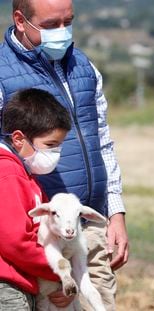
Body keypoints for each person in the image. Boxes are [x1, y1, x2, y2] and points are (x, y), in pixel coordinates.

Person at [0, 1, 129, 310]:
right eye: (50, 26)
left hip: (90, 223)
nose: (62, 33)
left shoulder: (85, 68)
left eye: (67, 22)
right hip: (42, 235)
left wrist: (115, 213)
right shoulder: (2, 74)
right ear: (20, 20)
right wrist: (56, 271)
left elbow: (103, 142)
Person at [0, 88, 72, 310]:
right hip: (8, 290)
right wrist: (61, 271)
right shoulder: (8, 174)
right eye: (50, 145)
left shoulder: (25, 176)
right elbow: (15, 242)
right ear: (19, 138)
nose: (56, 153)